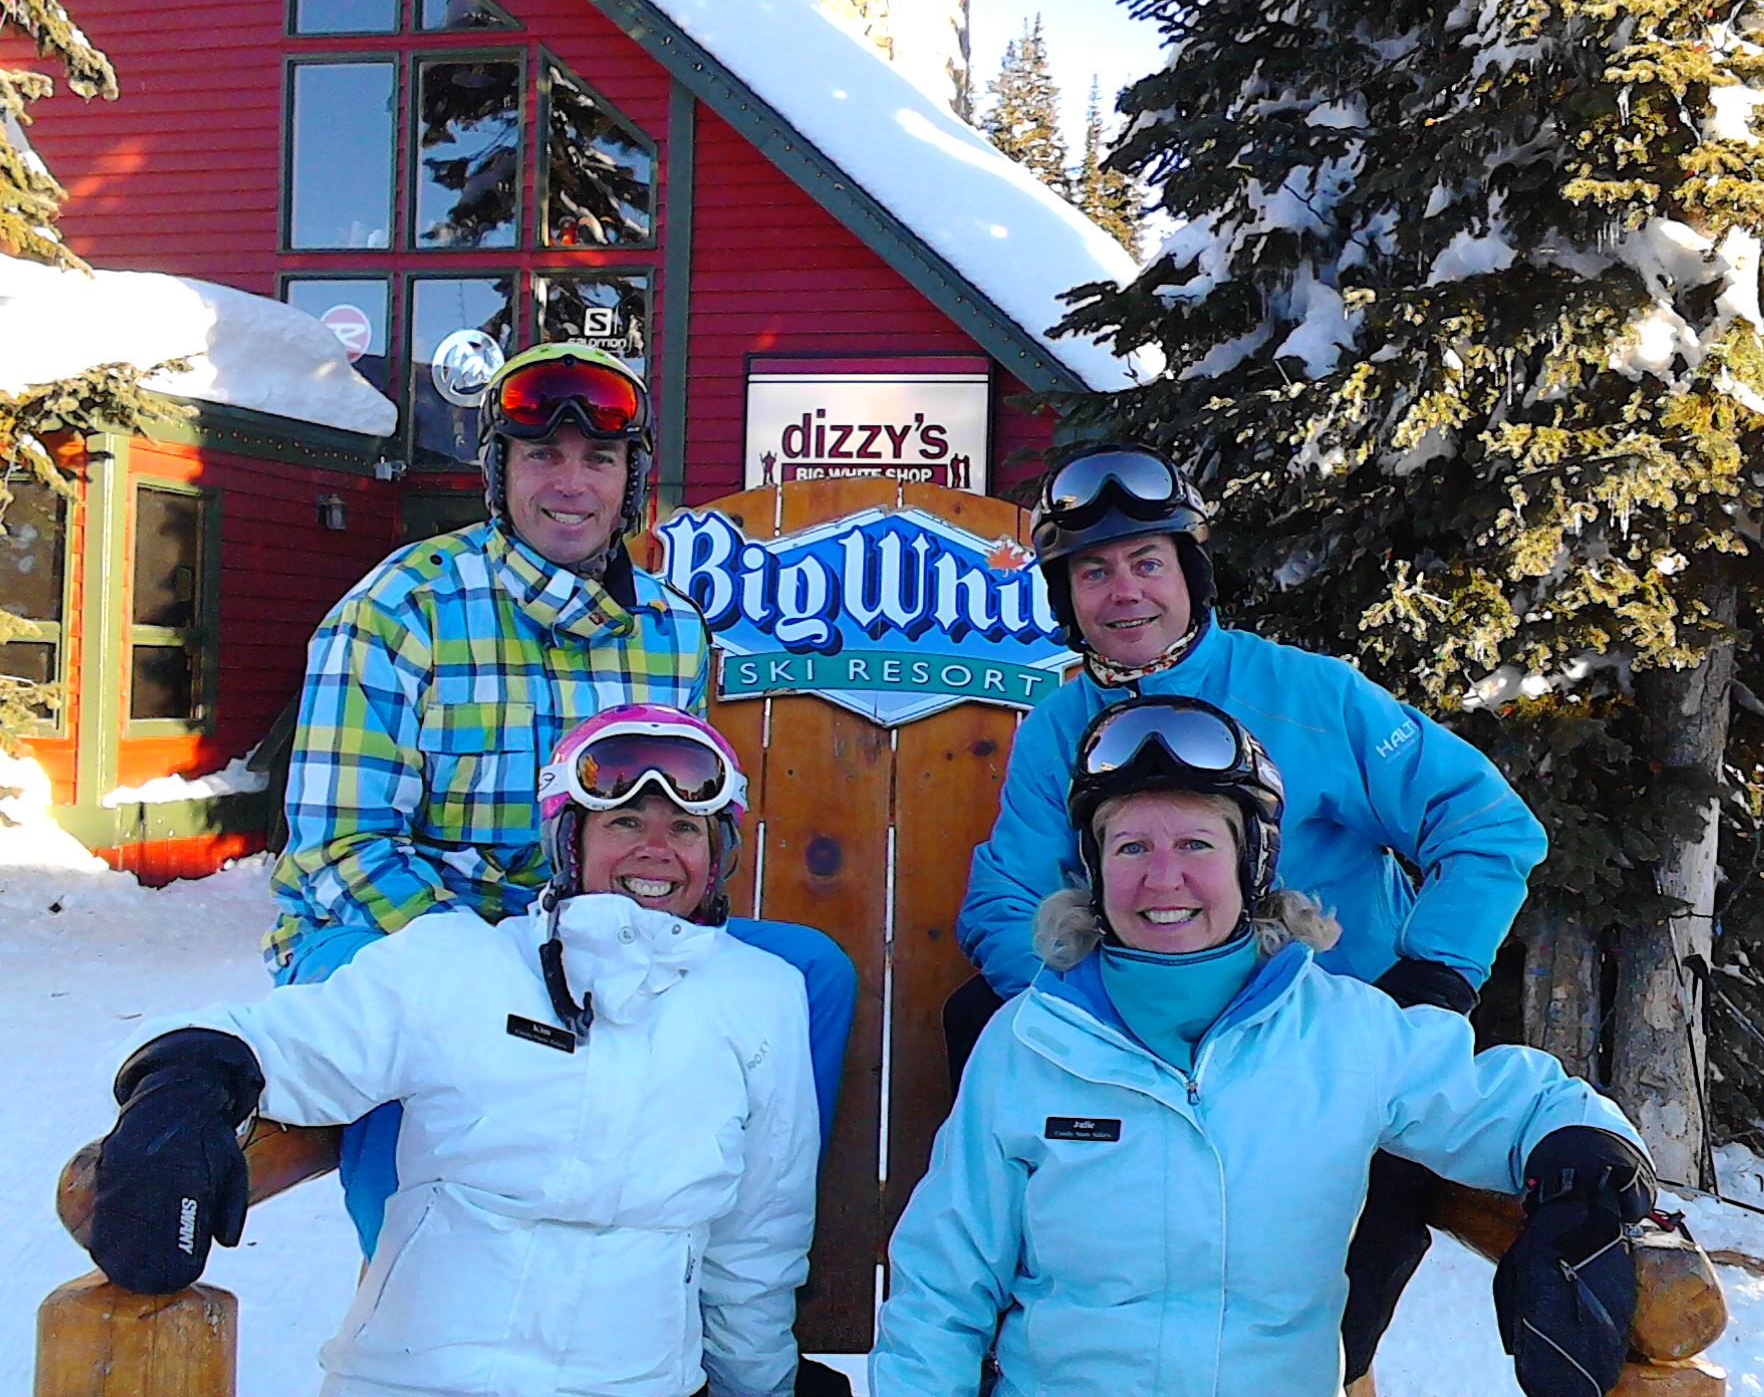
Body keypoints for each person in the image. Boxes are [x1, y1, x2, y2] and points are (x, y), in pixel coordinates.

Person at [949, 441, 1550, 1381]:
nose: (1124, 593)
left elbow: (1487, 825)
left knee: (1332, 1256)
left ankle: (1328, 1361)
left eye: (1147, 562)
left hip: (1320, 1047)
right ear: (1066, 598)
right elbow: (1005, 898)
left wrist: (1432, 977)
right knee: (980, 1019)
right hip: (1144, 1041)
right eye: (1093, 572)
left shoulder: (1310, 695)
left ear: (1190, 573)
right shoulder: (1058, 729)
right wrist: (1088, 1023)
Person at [876, 697, 1652, 1397]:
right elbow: (943, 1287)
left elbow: (1511, 1103)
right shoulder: (1031, 1042)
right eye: (1131, 848)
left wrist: (1583, 1168)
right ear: (1095, 870)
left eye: (1196, 844)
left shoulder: (1342, 1032)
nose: (1163, 878)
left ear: (1252, 863)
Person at [265, 343, 854, 1256]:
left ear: (631, 480)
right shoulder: (403, 607)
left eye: (599, 459)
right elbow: (340, 851)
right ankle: (410, 1279)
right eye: (543, 455)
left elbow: (683, 821)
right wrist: (499, 969)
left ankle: (727, 1250)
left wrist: (652, 936)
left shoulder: (669, 629)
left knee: (808, 973)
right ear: (500, 473)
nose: (571, 484)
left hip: (594, 932)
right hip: (406, 928)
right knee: (408, 1025)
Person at [88, 706, 817, 1397]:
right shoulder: (460, 964)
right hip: (417, 1378)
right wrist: (182, 1088)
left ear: (716, 853)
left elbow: (757, 1238)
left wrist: (758, 1385)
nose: (655, 849)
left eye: (685, 828)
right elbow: (284, 1042)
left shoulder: (758, 998)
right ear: (570, 841)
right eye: (624, 821)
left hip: (633, 1380)